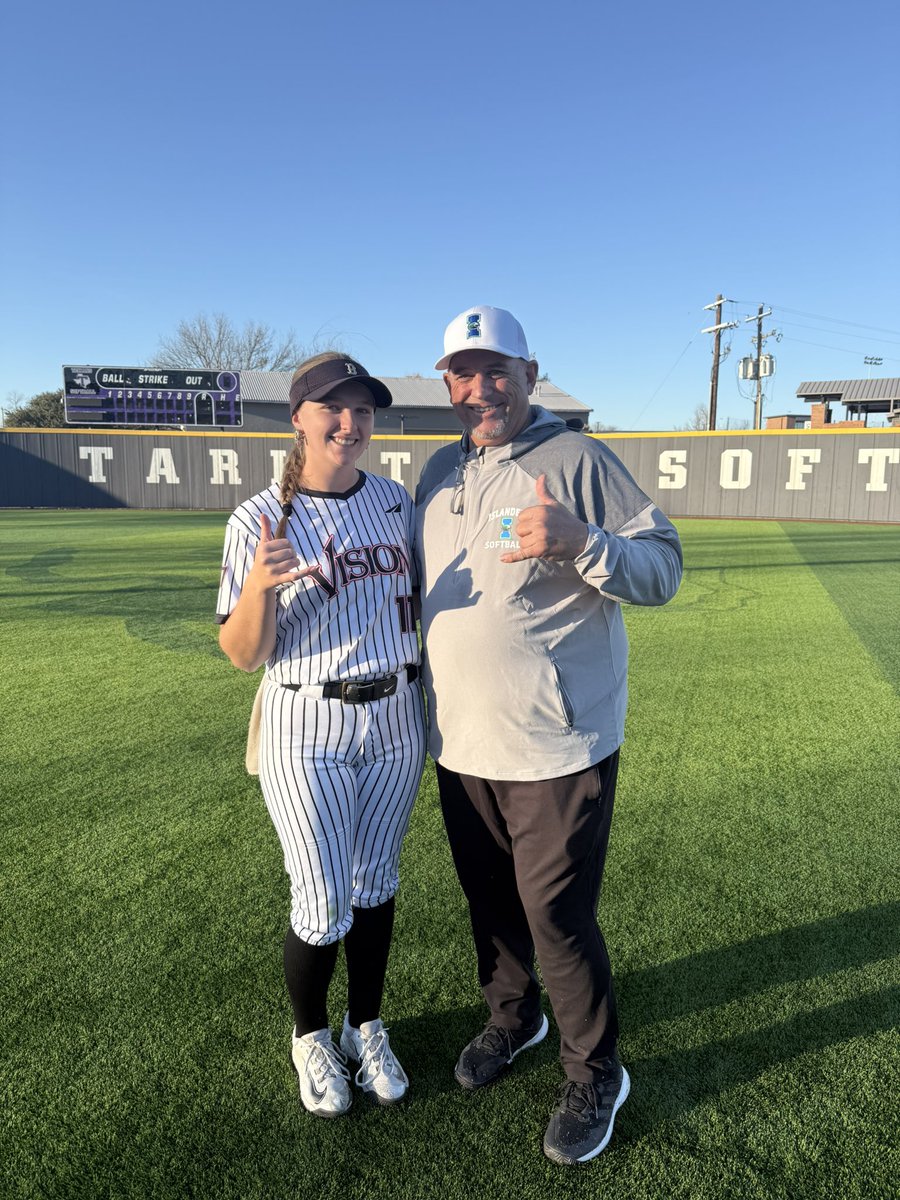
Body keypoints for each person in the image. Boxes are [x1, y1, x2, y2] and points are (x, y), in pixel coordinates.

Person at [415, 306, 683, 1165]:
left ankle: (596, 1071)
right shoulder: (438, 471)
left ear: (532, 376)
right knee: (491, 908)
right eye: (464, 372)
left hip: (556, 746)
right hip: (460, 743)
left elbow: (664, 566)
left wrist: (585, 541)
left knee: (557, 916)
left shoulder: (578, 460)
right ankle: (512, 1020)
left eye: (499, 370)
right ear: (448, 383)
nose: (481, 388)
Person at [217, 352, 426, 1118]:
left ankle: (365, 1023)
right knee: (320, 897)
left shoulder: (396, 504)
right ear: (297, 418)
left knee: (377, 885)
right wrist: (257, 588)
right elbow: (243, 654)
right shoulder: (258, 519)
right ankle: (310, 1035)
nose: (350, 422)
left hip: (398, 713)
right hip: (307, 719)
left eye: (363, 409)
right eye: (332, 408)